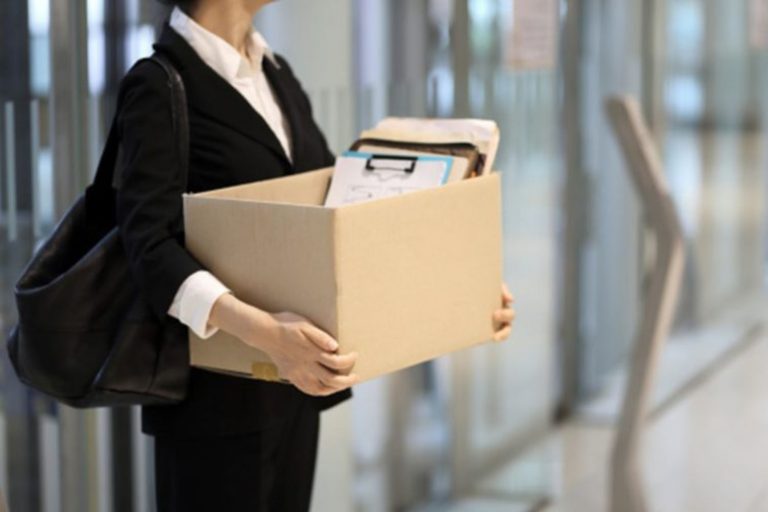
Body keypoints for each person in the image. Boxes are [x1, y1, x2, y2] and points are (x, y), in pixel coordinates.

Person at [115, 0, 517, 510]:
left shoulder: (275, 75)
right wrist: (269, 336)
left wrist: (465, 289)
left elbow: (343, 215)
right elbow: (149, 248)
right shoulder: (159, 84)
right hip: (214, 402)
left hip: (296, 384)